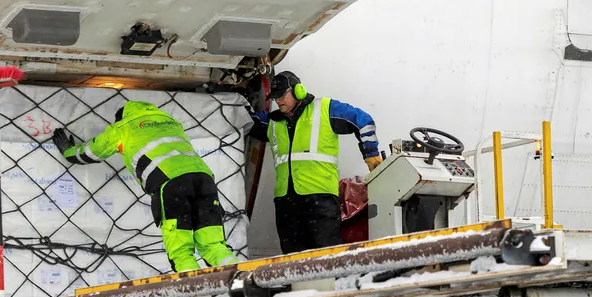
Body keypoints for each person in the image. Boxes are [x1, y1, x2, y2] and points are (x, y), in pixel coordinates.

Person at [51, 101, 239, 273]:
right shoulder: (169, 121)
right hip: (204, 180)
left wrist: (69, 152)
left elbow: (94, 151)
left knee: (180, 252)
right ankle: (238, 279)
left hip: (171, 185)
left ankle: (196, 293)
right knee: (214, 245)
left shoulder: (122, 127)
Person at [249, 71, 383, 254]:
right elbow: (247, 120)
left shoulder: (325, 109)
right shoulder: (273, 122)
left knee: (327, 256)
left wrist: (371, 155)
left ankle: (332, 283)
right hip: (286, 202)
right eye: (275, 97)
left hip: (320, 199)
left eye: (282, 95)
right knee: (292, 259)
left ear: (298, 91)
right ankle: (299, 284)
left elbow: (364, 121)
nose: (278, 101)